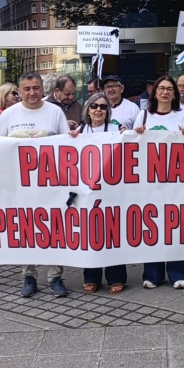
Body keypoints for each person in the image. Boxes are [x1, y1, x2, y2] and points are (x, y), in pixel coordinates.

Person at [0, 72, 70, 298]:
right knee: (26, 228)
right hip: (20, 184)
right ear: (19, 91)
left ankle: (55, 276)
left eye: (36, 88)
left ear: (43, 90)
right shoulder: (8, 115)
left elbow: (68, 146)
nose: (32, 93)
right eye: (27, 89)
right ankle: (28, 275)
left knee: (55, 228)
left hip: (51, 183)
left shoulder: (55, 112)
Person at [133, 75, 184, 289]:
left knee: (177, 224)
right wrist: (137, 134)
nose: (165, 92)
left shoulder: (182, 116)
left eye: (170, 89)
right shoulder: (143, 116)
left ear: (175, 94)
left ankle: (179, 272)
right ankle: (153, 274)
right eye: (161, 88)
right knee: (152, 225)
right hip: (149, 181)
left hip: (176, 181)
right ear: (154, 92)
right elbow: (133, 148)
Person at [74, 93, 127, 293]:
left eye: (103, 107)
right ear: (87, 109)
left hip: (112, 190)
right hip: (88, 190)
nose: (98, 110)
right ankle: (91, 277)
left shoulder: (117, 130)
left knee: (113, 232)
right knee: (91, 233)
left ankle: (117, 277)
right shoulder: (78, 132)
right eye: (94, 106)